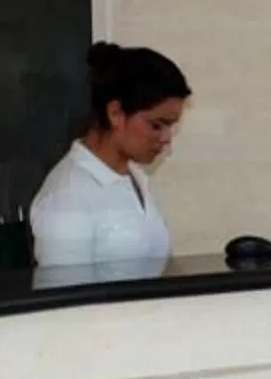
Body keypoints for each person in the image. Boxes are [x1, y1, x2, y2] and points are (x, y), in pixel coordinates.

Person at [30, 42, 190, 269]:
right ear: (115, 113)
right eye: (157, 125)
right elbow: (67, 299)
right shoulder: (67, 198)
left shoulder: (135, 176)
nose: (166, 138)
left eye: (171, 126)